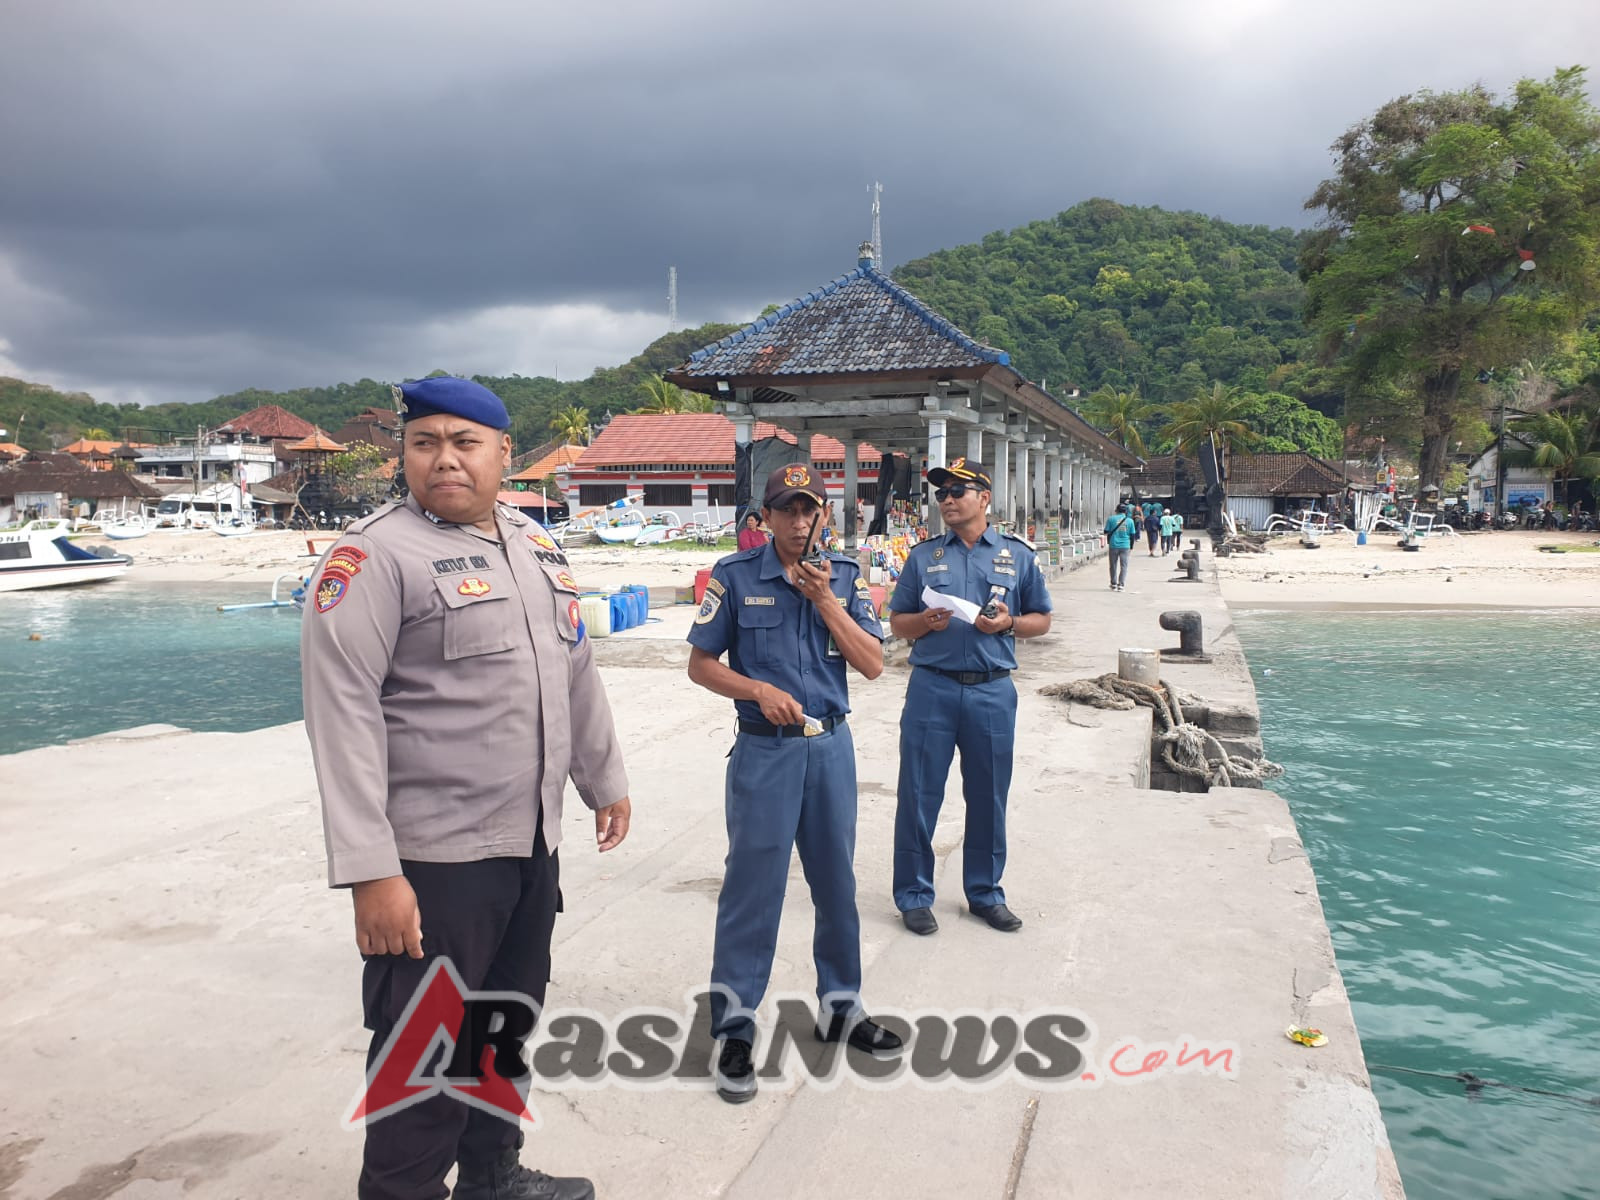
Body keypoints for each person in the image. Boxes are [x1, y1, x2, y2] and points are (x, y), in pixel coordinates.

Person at [301, 376, 631, 1200]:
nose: (444, 459)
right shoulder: (373, 556)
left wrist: (604, 778)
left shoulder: (535, 544)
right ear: (404, 453)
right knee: (424, 1054)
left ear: (502, 454)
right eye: (424, 443)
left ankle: (493, 1176)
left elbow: (575, 670)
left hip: (529, 844)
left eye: (464, 443)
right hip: (432, 860)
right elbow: (340, 717)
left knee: (501, 1029)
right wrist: (371, 870)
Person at [686, 463, 900, 1104]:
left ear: (823, 516)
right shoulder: (735, 578)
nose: (799, 522)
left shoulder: (848, 579)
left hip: (830, 750)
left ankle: (841, 1006)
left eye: (809, 511)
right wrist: (756, 689)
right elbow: (699, 665)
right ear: (766, 518)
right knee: (752, 892)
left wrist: (826, 601)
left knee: (837, 883)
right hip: (765, 753)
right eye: (786, 510)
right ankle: (735, 1029)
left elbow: (872, 665)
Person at [888, 458, 1053, 937]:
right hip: (931, 688)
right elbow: (898, 622)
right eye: (941, 493)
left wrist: (1009, 624)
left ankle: (985, 894)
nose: (947, 500)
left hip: (992, 692)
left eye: (958, 491)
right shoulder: (922, 558)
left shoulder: (1018, 556)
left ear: (984, 499)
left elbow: (1042, 619)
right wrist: (925, 622)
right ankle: (915, 896)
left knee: (988, 797)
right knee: (918, 795)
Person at [1104, 502, 1136, 590]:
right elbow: (1132, 535)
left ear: (1116, 510)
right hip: (1125, 546)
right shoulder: (1130, 521)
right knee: (1124, 566)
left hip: (1113, 545)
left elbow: (1106, 531)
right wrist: (1131, 546)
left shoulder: (1111, 519)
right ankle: (1121, 584)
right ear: (1126, 511)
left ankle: (1113, 583)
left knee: (1113, 565)